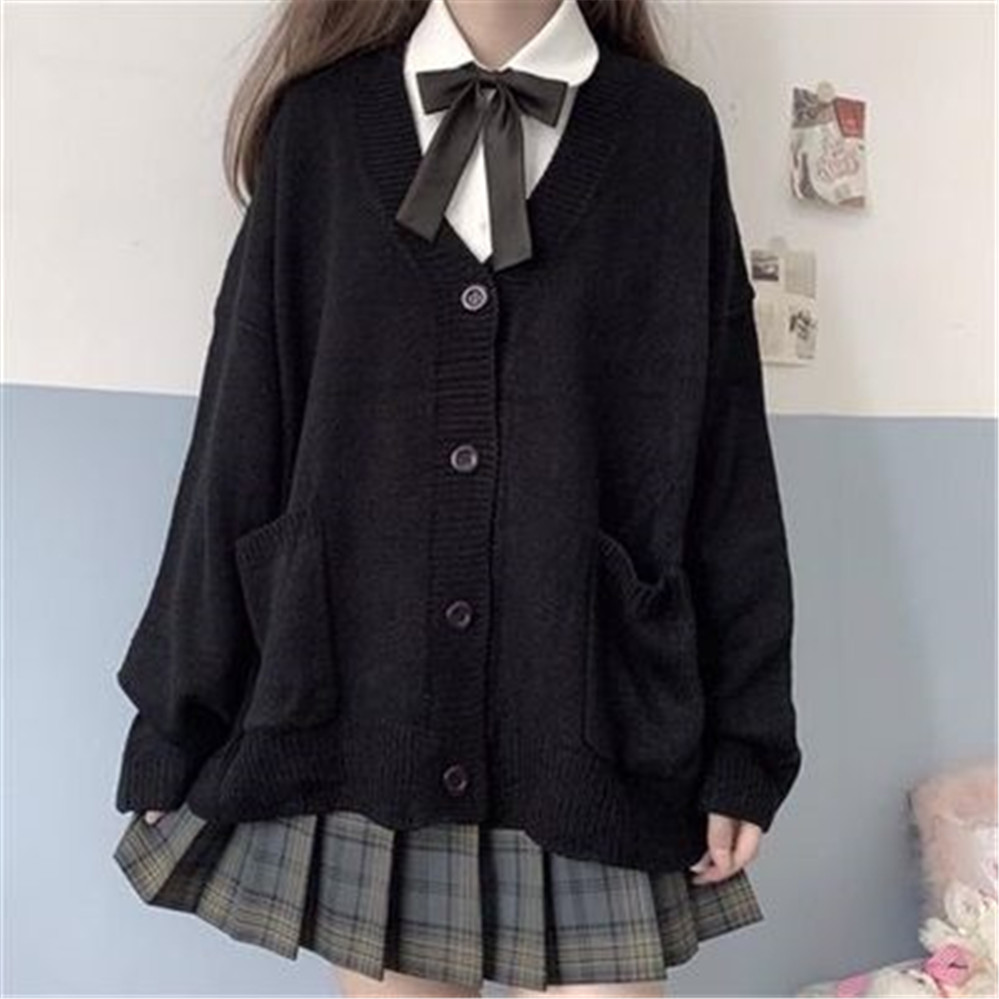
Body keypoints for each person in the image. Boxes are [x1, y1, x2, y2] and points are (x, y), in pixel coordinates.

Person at [111, 0, 804, 995]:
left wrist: (746, 737)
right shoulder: (323, 127)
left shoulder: (667, 132)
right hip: (365, 704)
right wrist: (178, 712)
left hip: (593, 713)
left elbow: (725, 454)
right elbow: (241, 433)